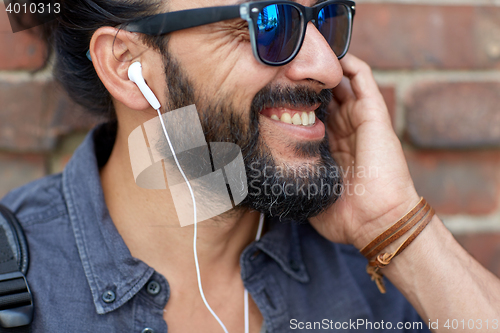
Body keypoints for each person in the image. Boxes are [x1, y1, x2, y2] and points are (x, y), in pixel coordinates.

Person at [2, 0, 500, 332]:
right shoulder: (20, 282)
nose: (327, 68)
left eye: (323, 20)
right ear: (127, 66)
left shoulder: (376, 271)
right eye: (267, 23)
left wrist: (394, 225)